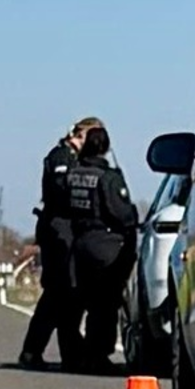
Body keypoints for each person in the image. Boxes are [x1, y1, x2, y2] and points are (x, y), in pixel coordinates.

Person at [18, 116, 104, 371]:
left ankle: (70, 354)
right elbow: (61, 190)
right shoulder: (61, 157)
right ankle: (32, 351)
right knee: (57, 295)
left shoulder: (74, 159)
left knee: (69, 296)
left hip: (69, 232)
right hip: (59, 232)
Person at [63, 126, 139, 375]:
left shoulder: (73, 174)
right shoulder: (108, 177)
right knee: (105, 305)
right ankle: (98, 356)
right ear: (105, 147)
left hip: (80, 243)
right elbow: (121, 213)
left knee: (82, 302)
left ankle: (79, 354)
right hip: (107, 245)